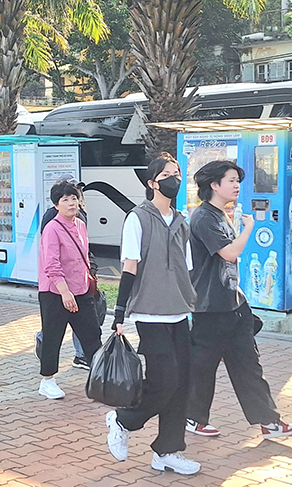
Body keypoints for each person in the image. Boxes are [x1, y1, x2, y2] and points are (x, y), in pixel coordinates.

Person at [186, 160, 292, 440]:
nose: (237, 185)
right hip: (210, 307)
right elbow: (228, 254)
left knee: (248, 364)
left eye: (237, 180)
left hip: (233, 304)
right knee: (203, 368)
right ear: (214, 185)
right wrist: (248, 228)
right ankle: (193, 418)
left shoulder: (220, 214)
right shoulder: (204, 217)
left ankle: (270, 422)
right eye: (231, 180)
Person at [106, 153, 200, 475]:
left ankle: (167, 451)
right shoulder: (138, 218)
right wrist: (119, 313)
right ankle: (122, 420)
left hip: (179, 312)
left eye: (176, 173)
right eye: (167, 175)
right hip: (150, 313)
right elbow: (129, 267)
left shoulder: (182, 221)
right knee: (164, 382)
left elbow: (187, 269)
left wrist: (196, 304)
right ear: (152, 183)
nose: (173, 179)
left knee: (182, 383)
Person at [36, 181, 102, 400]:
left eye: (73, 198)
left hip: (81, 289)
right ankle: (47, 380)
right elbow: (51, 264)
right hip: (55, 292)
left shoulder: (80, 224)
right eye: (65, 199)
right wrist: (65, 292)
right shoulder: (52, 229)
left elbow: (84, 256)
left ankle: (100, 378)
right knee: (53, 336)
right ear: (56, 205)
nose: (71, 203)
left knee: (92, 334)